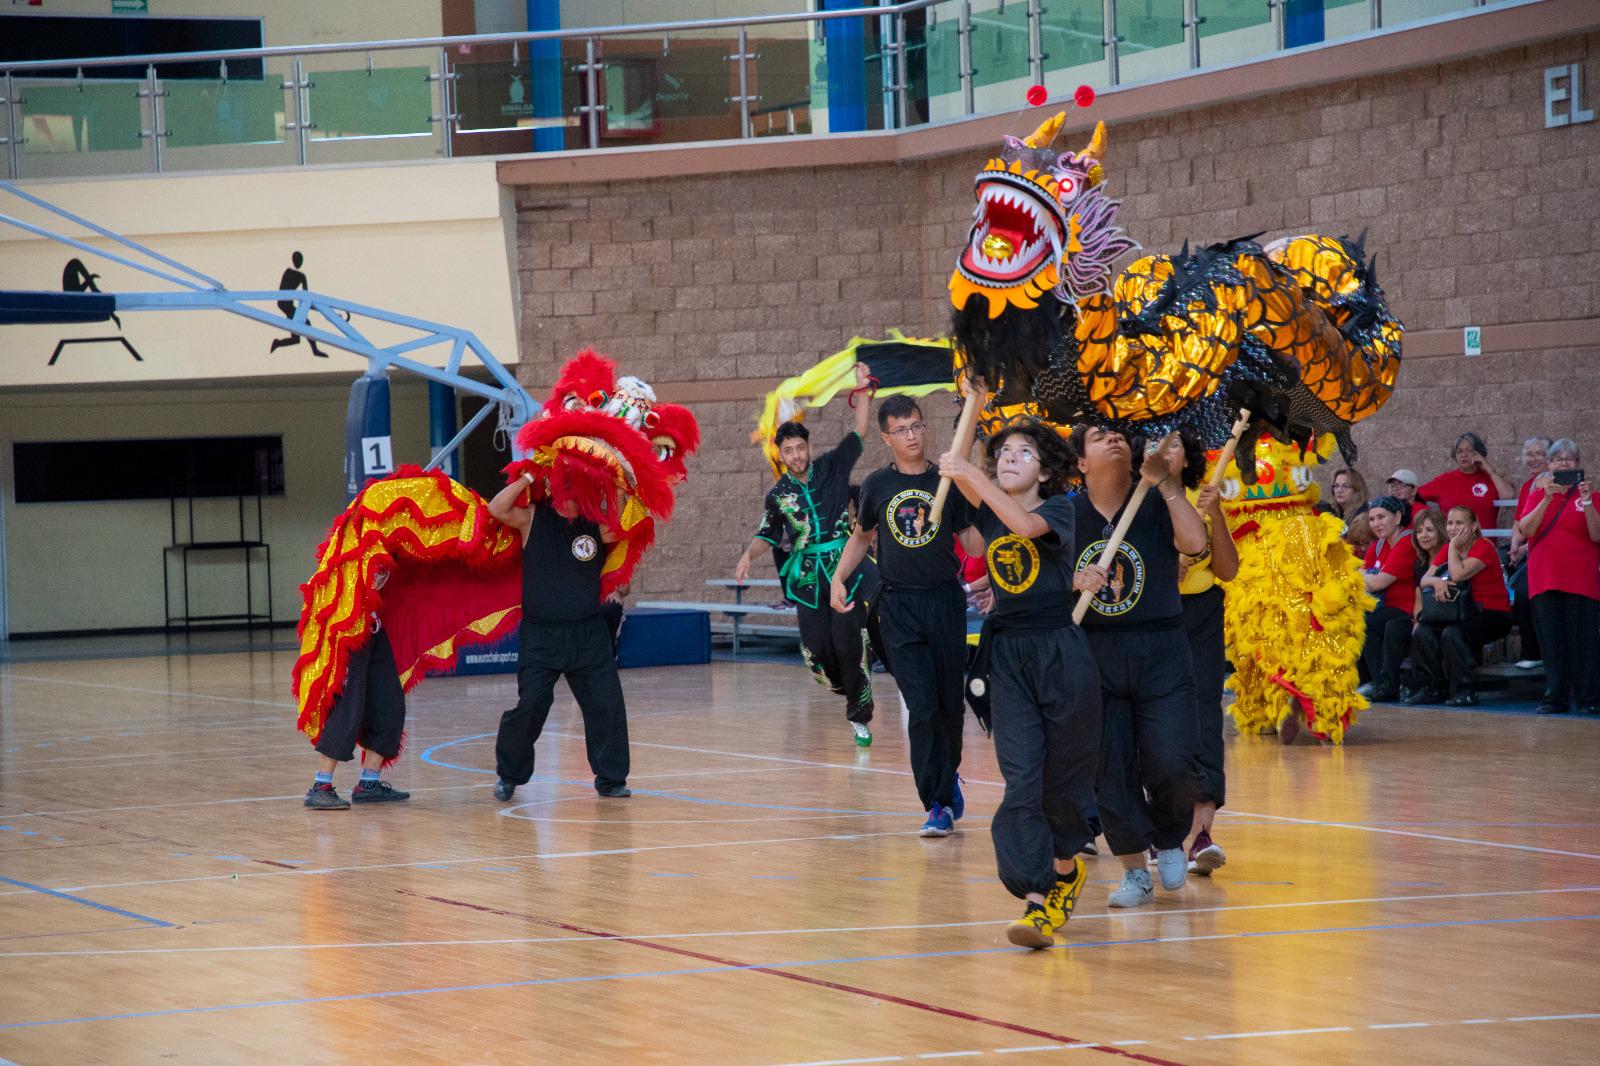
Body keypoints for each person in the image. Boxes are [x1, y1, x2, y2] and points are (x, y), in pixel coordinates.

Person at [939, 422, 1099, 948]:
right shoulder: (990, 505)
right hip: (1007, 656)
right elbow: (959, 470)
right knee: (1022, 778)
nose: (1008, 458)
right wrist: (974, 406)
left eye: (1023, 453)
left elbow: (1026, 528)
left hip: (1060, 652)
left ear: (1046, 471)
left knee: (1062, 784)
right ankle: (1035, 901)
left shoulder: (1061, 509)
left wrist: (975, 476)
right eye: (1003, 452)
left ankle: (1065, 867)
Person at [1070, 427, 1208, 909]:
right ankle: (1133, 870)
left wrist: (1166, 481)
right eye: (1098, 436)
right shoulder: (1067, 512)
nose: (1112, 439)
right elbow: (1040, 574)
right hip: (1095, 653)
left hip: (1161, 648)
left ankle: (1169, 838)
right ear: (1081, 463)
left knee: (1174, 761)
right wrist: (1072, 577)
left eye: (1118, 435)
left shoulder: (1155, 499)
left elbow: (1195, 542)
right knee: (1109, 772)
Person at [833, 395, 979, 836]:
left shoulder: (946, 480)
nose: (911, 436)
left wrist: (985, 496)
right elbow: (862, 538)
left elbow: (973, 544)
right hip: (898, 607)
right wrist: (838, 578)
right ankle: (935, 802)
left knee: (949, 706)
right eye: (901, 430)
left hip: (945, 603)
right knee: (922, 706)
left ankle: (948, 775)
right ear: (886, 437)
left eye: (916, 426)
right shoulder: (877, 485)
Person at [735, 364, 877, 744]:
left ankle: (859, 715)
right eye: (789, 450)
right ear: (780, 453)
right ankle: (849, 684)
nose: (796, 455)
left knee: (848, 643)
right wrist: (748, 556)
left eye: (800, 448)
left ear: (808, 447)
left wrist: (862, 390)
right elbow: (766, 534)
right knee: (818, 652)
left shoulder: (832, 467)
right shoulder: (778, 495)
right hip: (808, 579)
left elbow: (860, 431)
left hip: (844, 569)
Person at [489, 469, 633, 801]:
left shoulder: (593, 523)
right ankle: (509, 775)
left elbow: (622, 527)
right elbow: (496, 509)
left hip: (588, 634)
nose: (566, 487)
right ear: (549, 484)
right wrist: (528, 476)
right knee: (531, 705)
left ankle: (611, 779)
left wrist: (617, 486)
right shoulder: (532, 517)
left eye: (573, 481)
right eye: (559, 480)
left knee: (607, 704)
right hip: (541, 636)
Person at [303, 581, 412, 809]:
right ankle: (321, 786)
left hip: (374, 626)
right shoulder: (348, 554)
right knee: (348, 705)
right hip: (348, 621)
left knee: (390, 701)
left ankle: (369, 783)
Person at [1179, 478, 1239, 875]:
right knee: (1155, 721)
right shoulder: (1138, 495)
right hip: (1152, 613)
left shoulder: (1204, 492)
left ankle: (1202, 835)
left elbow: (1228, 570)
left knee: (1204, 719)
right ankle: (1162, 832)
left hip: (1202, 612)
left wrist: (1215, 515)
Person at [1515, 440, 1600, 715]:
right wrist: (1546, 499)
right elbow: (1526, 530)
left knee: (1584, 642)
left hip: (1581, 580)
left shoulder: (1592, 495)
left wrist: (1587, 501)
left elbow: (1596, 535)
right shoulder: (1537, 494)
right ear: (1549, 465)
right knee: (1551, 642)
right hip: (1545, 579)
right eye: (1558, 459)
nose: (1564, 463)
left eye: (1570, 459)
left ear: (1578, 464)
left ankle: (1588, 697)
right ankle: (1555, 696)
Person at [1408, 506, 1512, 707]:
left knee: (1453, 633)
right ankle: (1431, 688)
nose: (1453, 528)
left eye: (1459, 523)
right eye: (1450, 523)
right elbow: (1424, 580)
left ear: (1473, 526)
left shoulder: (1483, 546)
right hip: (1460, 612)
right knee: (1423, 632)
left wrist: (1453, 547)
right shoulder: (1448, 548)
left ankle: (1465, 690)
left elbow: (1458, 574)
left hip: (1492, 613)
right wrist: (1436, 582)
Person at [1357, 496, 1418, 704]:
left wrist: (1359, 576)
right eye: (1372, 519)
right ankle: (1375, 682)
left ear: (1397, 517)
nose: (1376, 523)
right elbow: (1361, 577)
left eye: (1381, 517)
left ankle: (1383, 684)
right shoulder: (1377, 545)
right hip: (1384, 609)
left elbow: (1377, 583)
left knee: (1367, 621)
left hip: (1407, 610)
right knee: (1358, 619)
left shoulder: (1407, 542)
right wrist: (1361, 577)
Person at [1509, 436, 1553, 670]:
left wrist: (1526, 547)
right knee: (1518, 591)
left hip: (1549, 554)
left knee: (1526, 593)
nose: (1533, 459)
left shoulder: (1556, 484)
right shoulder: (1528, 486)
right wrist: (1515, 545)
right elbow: (1519, 523)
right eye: (1529, 454)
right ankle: (1532, 652)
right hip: (1530, 553)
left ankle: (1538, 652)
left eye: (1539, 454)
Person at [1417, 432, 1514, 533]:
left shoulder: (1491, 478)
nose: (1464, 455)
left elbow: (1508, 495)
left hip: (1483, 541)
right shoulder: (1444, 480)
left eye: (1469, 450)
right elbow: (1415, 496)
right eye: (1459, 451)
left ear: (1479, 453)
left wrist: (1488, 468)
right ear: (1455, 456)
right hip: (1453, 541)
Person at [269, 251, 328, 357]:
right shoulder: (299, 275)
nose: (299, 262)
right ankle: (315, 350)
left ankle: (278, 343)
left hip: (285, 305)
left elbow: (305, 297)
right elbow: (305, 296)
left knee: (296, 339)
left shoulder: (292, 273)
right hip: (286, 305)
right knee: (307, 324)